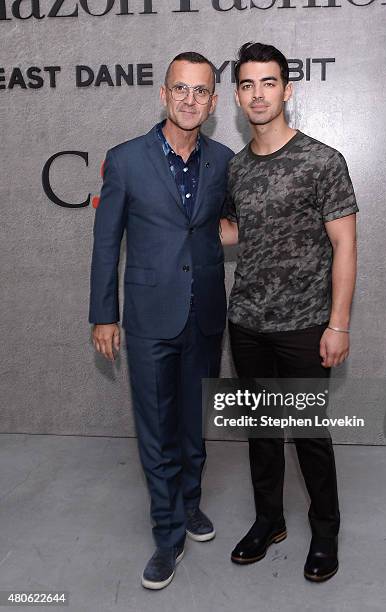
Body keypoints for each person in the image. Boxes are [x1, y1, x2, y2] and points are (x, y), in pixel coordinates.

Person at [89, 52, 234, 590]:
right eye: (181, 89)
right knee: (156, 428)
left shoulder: (223, 160)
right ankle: (167, 532)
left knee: (192, 424)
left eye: (201, 92)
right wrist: (104, 315)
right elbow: (107, 245)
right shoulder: (125, 160)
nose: (190, 100)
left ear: (214, 103)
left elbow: (221, 226)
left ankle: (189, 505)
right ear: (163, 94)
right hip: (148, 317)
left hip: (204, 314)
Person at [221, 42, 358, 582]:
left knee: (307, 435)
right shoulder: (234, 168)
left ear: (287, 89)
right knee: (261, 432)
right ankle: (268, 520)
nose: (258, 94)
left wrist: (338, 322)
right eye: (248, 85)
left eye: (269, 83)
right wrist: (176, 223)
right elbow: (234, 231)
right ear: (237, 95)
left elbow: (345, 244)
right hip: (248, 322)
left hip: (305, 326)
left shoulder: (322, 160)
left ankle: (325, 533)